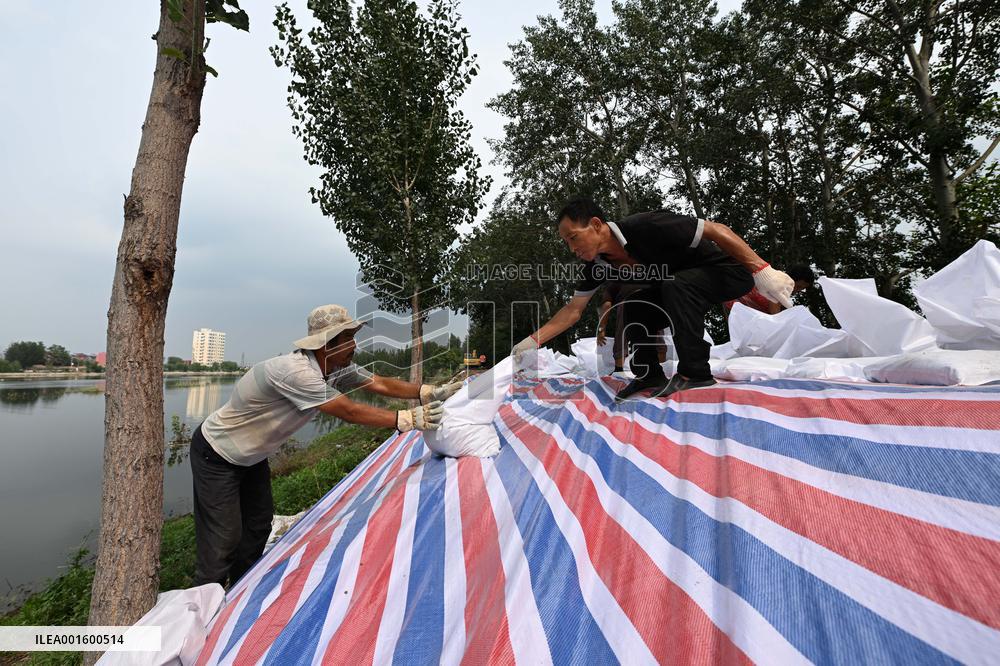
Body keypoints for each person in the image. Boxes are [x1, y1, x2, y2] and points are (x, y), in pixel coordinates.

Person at [190, 304, 462, 587]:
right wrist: (403, 419)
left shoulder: (335, 368)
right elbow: (348, 410)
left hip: (252, 456)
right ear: (325, 345)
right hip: (218, 454)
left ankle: (238, 591)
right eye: (347, 339)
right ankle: (203, 605)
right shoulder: (296, 372)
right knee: (223, 538)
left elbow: (378, 384)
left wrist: (425, 392)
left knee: (258, 525)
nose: (354, 345)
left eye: (353, 337)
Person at [512, 197, 794, 402]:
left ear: (596, 225)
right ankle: (649, 375)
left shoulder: (647, 226)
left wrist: (762, 270)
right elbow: (573, 311)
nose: (572, 248)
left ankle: (695, 373)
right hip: (682, 287)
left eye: (573, 237)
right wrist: (530, 342)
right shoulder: (597, 264)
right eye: (567, 243)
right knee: (634, 304)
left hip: (727, 272)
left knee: (675, 284)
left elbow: (716, 229)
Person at [597, 282, 666, 373]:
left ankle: (619, 371)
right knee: (656, 335)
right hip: (651, 301)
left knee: (622, 337)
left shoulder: (613, 280)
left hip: (628, 303)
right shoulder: (647, 272)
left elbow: (606, 305)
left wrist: (601, 329)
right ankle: (662, 368)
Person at [723, 264, 815, 314]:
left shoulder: (775, 279)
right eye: (798, 286)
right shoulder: (780, 284)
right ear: (792, 279)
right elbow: (775, 316)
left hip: (735, 309)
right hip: (737, 309)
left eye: (802, 289)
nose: (797, 290)